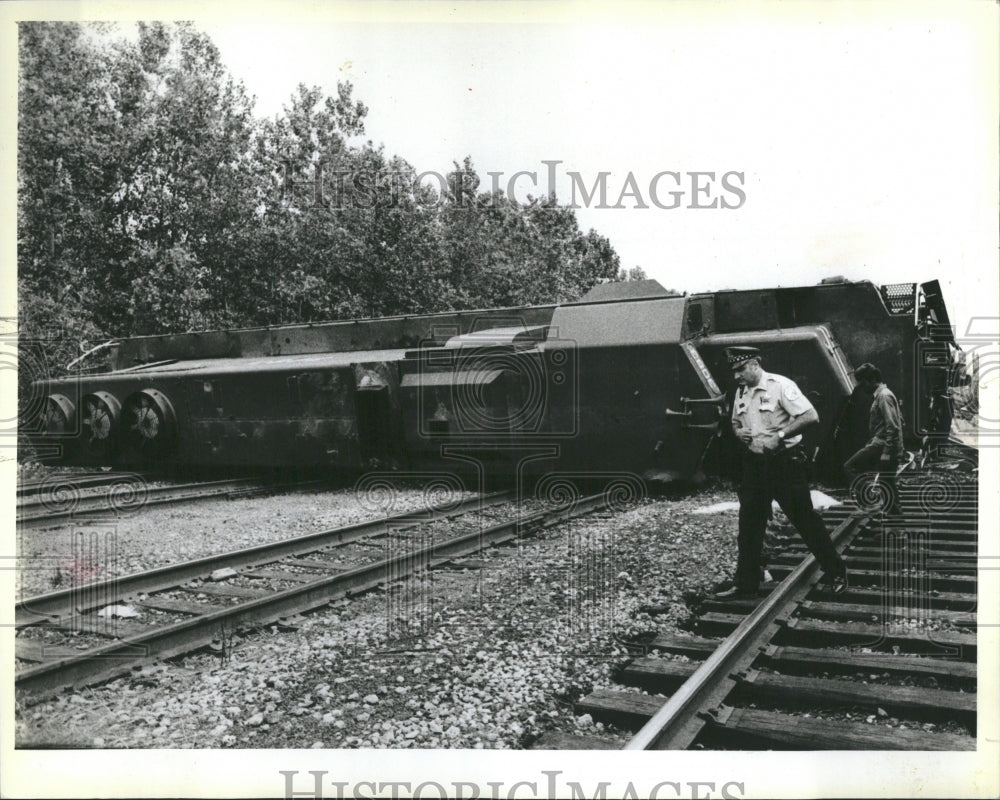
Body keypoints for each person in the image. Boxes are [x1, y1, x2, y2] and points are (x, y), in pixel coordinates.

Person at [716, 346, 848, 599]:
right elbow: (735, 422)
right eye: (734, 371)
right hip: (755, 466)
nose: (736, 376)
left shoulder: (780, 386)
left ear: (755, 364)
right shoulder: (742, 391)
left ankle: (836, 572)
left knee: (806, 522)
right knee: (749, 527)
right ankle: (746, 583)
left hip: (784, 464)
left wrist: (779, 436)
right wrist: (738, 433)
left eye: (741, 369)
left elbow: (811, 416)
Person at [844, 362, 905, 517]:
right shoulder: (883, 395)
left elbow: (893, 427)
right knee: (887, 485)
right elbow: (895, 423)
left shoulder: (884, 396)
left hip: (884, 446)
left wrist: (886, 452)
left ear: (871, 380)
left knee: (850, 467)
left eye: (862, 382)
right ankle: (893, 522)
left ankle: (870, 502)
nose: (862, 387)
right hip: (882, 444)